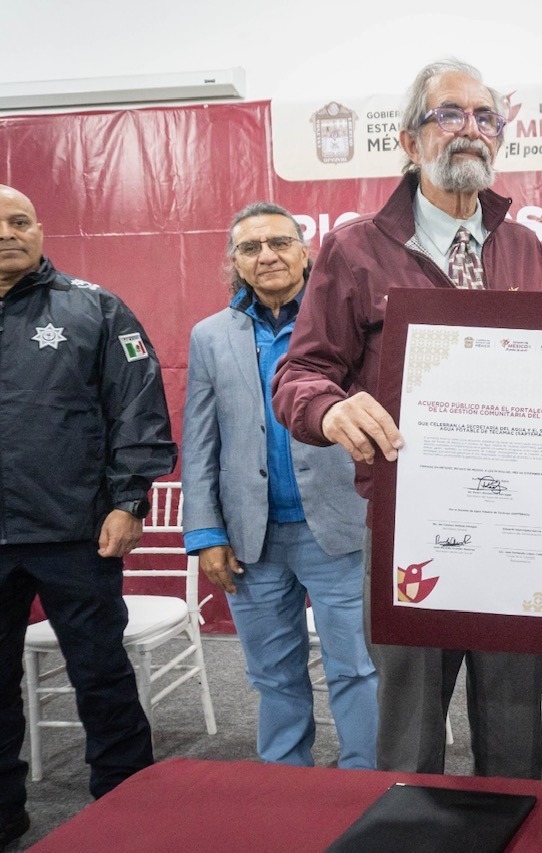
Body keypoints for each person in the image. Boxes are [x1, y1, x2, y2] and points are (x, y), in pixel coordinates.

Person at [272, 59, 542, 778]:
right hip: (409, 529)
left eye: (485, 117)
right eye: (450, 114)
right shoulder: (353, 248)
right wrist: (332, 407)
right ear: (408, 139)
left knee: (516, 720)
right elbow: (298, 375)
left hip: (513, 528)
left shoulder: (524, 247)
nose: (471, 130)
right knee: (408, 729)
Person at [0, 185, 175, 845]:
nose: (8, 233)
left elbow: (139, 409)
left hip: (77, 534)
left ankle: (132, 810)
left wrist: (130, 500)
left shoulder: (94, 308)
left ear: (40, 230)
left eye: (21, 221)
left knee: (102, 677)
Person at [182, 201, 378, 769]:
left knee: (357, 668)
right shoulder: (209, 337)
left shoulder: (342, 321)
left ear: (303, 250)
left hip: (340, 529)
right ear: (234, 263)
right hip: (251, 540)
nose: (266, 255)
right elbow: (199, 442)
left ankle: (364, 783)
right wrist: (205, 533)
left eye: (280, 242)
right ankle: (287, 785)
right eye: (250, 247)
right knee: (273, 675)